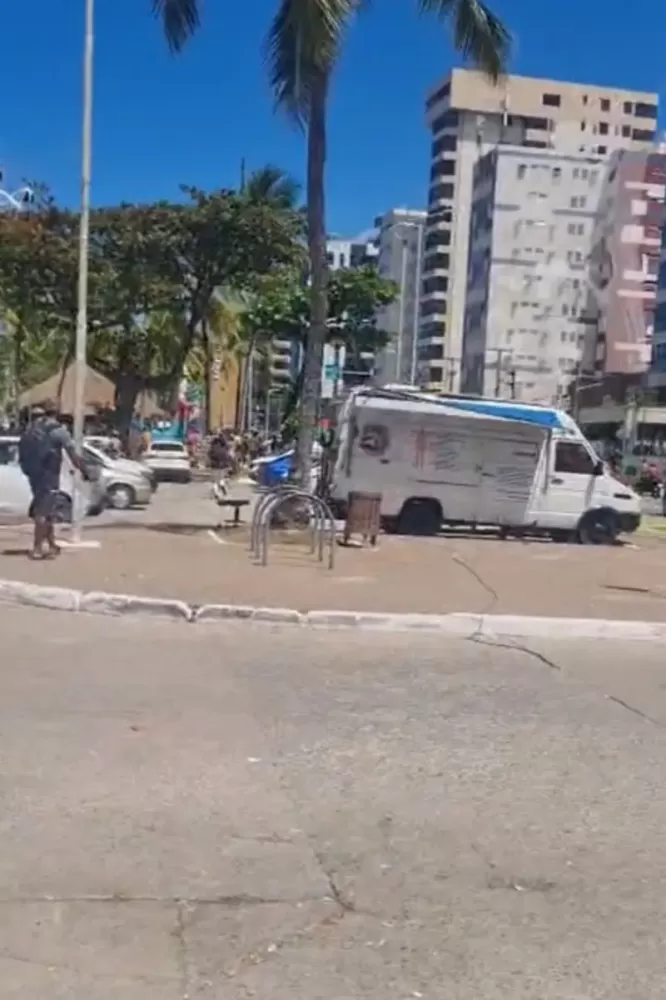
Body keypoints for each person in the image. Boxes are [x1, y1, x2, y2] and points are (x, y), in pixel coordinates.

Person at [18, 404, 90, 560]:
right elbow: (73, 453)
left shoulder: (30, 430)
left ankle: (51, 544)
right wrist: (85, 470)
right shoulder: (57, 431)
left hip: (34, 475)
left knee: (47, 510)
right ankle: (37, 548)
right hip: (49, 474)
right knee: (43, 512)